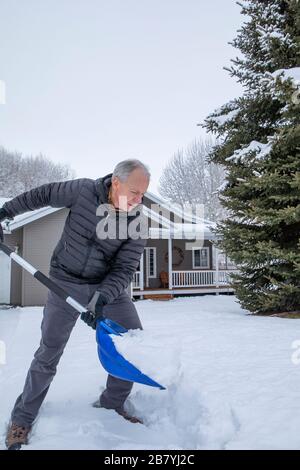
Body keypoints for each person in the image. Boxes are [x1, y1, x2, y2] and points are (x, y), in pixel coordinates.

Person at [0, 159, 150, 449]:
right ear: (115, 182)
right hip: (64, 282)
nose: (138, 200)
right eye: (134, 192)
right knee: (48, 352)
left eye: (142, 194)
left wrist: (102, 298)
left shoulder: (138, 222)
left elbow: (124, 269)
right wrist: (5, 212)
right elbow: (41, 195)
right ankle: (23, 417)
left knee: (131, 343)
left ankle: (113, 404)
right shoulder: (82, 191)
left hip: (108, 288)